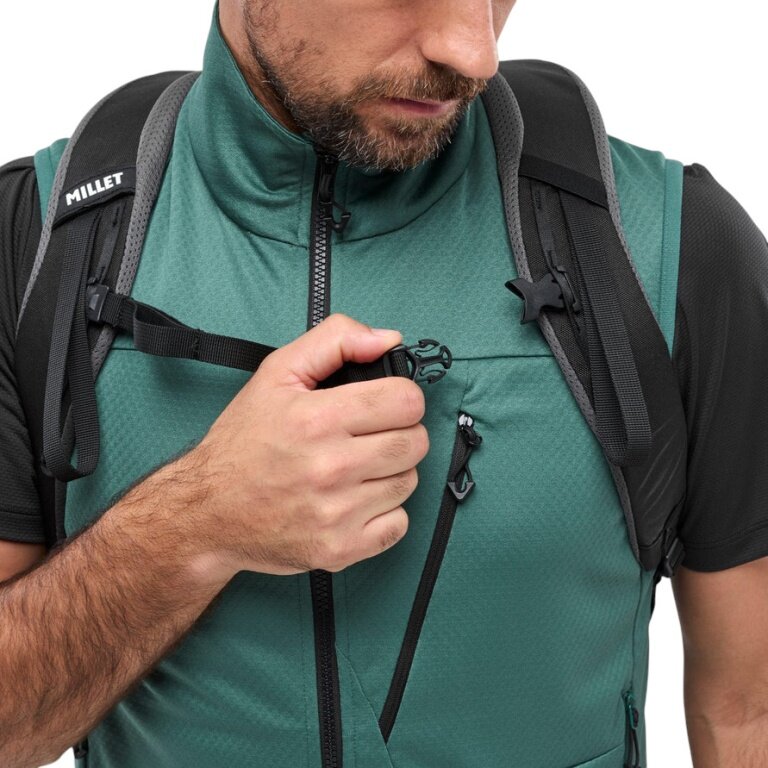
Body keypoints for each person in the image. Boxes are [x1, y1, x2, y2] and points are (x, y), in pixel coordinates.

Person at [1, 1, 767, 766]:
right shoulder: (34, 246)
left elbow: (746, 713)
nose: (475, 54)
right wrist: (195, 524)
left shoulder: (672, 248)